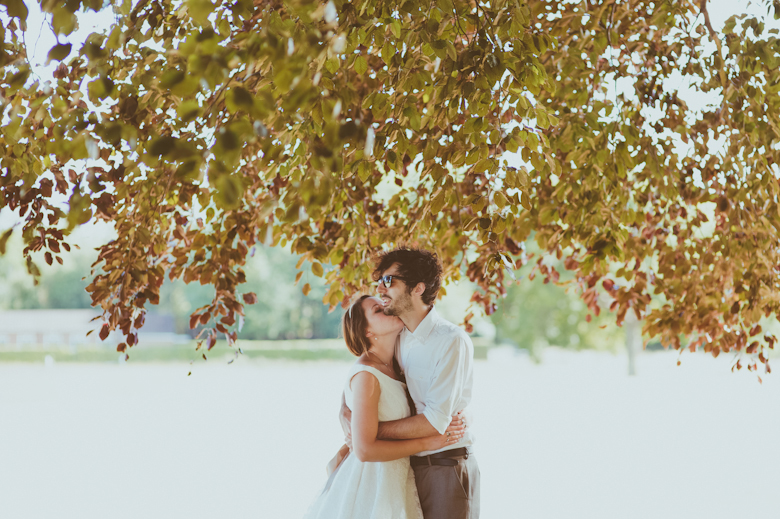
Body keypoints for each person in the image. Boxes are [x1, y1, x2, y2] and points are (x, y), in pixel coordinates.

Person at [340, 248, 480, 519]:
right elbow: (364, 376)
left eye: (389, 280)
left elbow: (433, 423)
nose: (380, 286)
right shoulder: (397, 335)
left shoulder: (451, 341)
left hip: (445, 465)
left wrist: (369, 433)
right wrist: (345, 413)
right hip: (404, 470)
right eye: (380, 279)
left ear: (417, 288)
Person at [303, 295, 466, 519]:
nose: (387, 308)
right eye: (378, 310)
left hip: (396, 482)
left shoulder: (396, 362)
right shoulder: (366, 374)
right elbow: (364, 450)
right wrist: (427, 442)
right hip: (371, 485)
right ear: (368, 331)